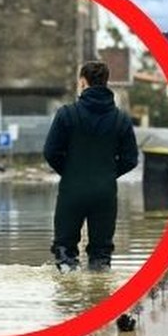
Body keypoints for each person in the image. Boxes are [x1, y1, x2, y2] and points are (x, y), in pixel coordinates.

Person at [43, 61, 139, 272]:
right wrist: (108, 173)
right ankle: (99, 287)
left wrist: (70, 171)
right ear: (106, 82)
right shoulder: (121, 119)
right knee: (101, 255)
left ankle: (69, 288)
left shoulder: (66, 114)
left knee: (65, 251)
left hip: (72, 191)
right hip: (105, 192)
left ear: (82, 82)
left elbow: (50, 152)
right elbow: (131, 159)